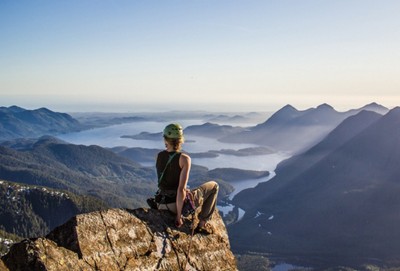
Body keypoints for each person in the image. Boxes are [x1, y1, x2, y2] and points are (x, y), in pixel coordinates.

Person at [152, 123, 219, 234]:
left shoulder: (158, 156)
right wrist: (179, 215)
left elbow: (167, 181)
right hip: (174, 205)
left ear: (165, 139)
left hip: (160, 203)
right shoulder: (184, 159)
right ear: (181, 140)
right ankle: (202, 224)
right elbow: (181, 189)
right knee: (214, 186)